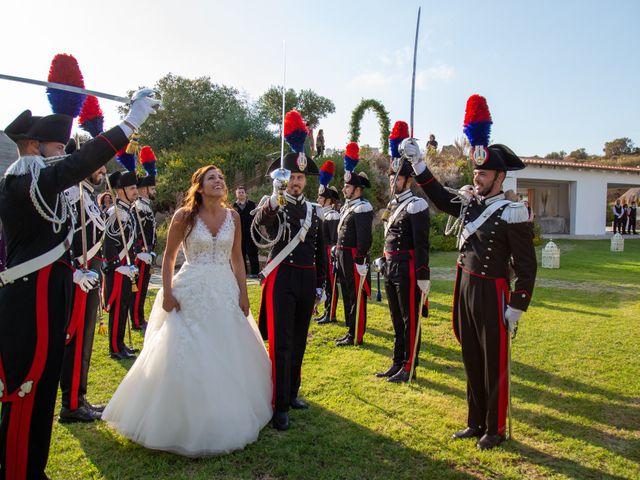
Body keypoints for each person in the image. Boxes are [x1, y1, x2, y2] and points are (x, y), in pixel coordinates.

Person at [0, 89, 158, 480]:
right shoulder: (24, 180)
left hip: (49, 292)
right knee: (26, 391)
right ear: (34, 147)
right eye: (59, 147)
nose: (65, 154)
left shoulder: (43, 180)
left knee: (43, 390)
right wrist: (131, 122)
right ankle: (17, 472)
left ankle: (32, 468)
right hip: (29, 298)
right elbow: (80, 163)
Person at [102, 165, 272, 456]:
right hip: (190, 289)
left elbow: (239, 260)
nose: (219, 181)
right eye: (211, 178)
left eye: (221, 177)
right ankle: (180, 417)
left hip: (225, 290)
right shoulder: (184, 216)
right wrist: (167, 293)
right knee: (187, 349)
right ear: (199, 186)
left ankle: (227, 409)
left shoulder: (233, 217)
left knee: (228, 349)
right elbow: (168, 258)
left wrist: (244, 294)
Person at [405, 94, 537, 450]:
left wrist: (517, 305)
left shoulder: (513, 212)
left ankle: (493, 428)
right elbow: (439, 197)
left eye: (483, 173)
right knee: (470, 356)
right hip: (465, 285)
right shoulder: (468, 201)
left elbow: (527, 266)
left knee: (493, 361)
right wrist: (419, 165)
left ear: (500, 176)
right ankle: (474, 421)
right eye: (475, 172)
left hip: (493, 292)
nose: (476, 177)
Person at [254, 127, 326, 430]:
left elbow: (321, 250)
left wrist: (322, 283)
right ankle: (279, 403)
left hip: (307, 280)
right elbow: (262, 229)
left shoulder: (314, 210)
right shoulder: (274, 204)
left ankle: (293, 393)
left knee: (299, 341)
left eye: (300, 179)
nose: (296, 183)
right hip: (282, 278)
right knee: (281, 343)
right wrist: (274, 197)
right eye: (292, 178)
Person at [375, 137, 430, 383]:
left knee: (410, 319)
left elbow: (421, 244)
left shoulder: (417, 205)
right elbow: (389, 236)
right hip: (390, 267)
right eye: (391, 178)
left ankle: (410, 365)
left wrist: (422, 276)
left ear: (408, 181)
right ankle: (397, 361)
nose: (392, 182)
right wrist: (382, 257)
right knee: (396, 318)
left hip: (407, 269)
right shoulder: (393, 204)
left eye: (397, 178)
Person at [59, 161, 108, 424]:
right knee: (76, 339)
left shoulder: (87, 194)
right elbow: (62, 235)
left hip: (91, 273)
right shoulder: (70, 193)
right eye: (98, 166)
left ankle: (80, 397)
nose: (103, 171)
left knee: (86, 338)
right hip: (78, 274)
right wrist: (74, 271)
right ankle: (71, 404)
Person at [335, 143, 373, 347]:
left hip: (353, 257)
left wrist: (360, 259)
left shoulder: (363, 207)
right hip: (343, 255)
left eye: (347, 187)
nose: (344, 189)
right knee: (348, 293)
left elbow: (364, 238)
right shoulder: (349, 206)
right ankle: (350, 330)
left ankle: (356, 333)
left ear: (357, 189)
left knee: (357, 295)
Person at [102, 170, 142, 360]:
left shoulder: (127, 211)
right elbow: (108, 243)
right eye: (132, 188)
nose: (136, 191)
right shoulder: (115, 213)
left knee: (124, 305)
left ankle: (121, 344)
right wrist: (117, 264)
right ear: (120, 191)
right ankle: (115, 347)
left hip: (127, 267)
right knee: (118, 308)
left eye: (135, 188)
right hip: (118, 269)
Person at [129, 157, 158, 330]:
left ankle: (139, 317)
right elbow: (135, 232)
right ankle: (136, 319)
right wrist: (140, 250)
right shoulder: (138, 206)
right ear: (144, 190)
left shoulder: (145, 205)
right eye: (152, 188)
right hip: (140, 255)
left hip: (148, 253)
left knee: (143, 287)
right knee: (138, 289)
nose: (155, 191)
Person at [316, 175, 340, 325]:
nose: (318, 199)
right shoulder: (321, 213)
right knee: (324, 284)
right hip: (321, 254)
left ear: (328, 200)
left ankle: (331, 313)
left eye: (321, 197)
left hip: (329, 255)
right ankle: (326, 310)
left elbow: (333, 240)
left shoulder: (332, 215)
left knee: (331, 285)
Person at [233, 185, 259, 278]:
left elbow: (258, 219)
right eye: (239, 192)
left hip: (252, 234)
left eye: (242, 192)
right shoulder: (233, 207)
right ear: (236, 194)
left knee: (253, 253)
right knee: (241, 254)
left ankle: (255, 273)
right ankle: (243, 273)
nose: (241, 194)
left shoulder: (253, 205)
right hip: (239, 235)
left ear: (245, 194)